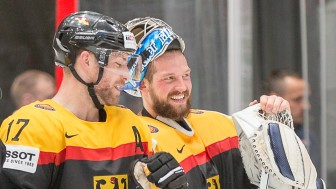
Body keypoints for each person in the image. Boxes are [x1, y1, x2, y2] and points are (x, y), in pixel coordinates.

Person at [0, 11, 187, 189]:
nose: (126, 76)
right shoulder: (32, 128)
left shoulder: (131, 124)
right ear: (87, 61)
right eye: (119, 64)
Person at [123, 17, 295, 188]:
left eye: (185, 75)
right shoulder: (140, 143)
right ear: (143, 84)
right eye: (169, 78)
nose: (182, 87)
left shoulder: (220, 124)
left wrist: (275, 136)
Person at [262, 69, 320, 169]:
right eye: (298, 99)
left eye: (306, 98)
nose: (306, 106)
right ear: (275, 99)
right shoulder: (257, 135)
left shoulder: (308, 137)